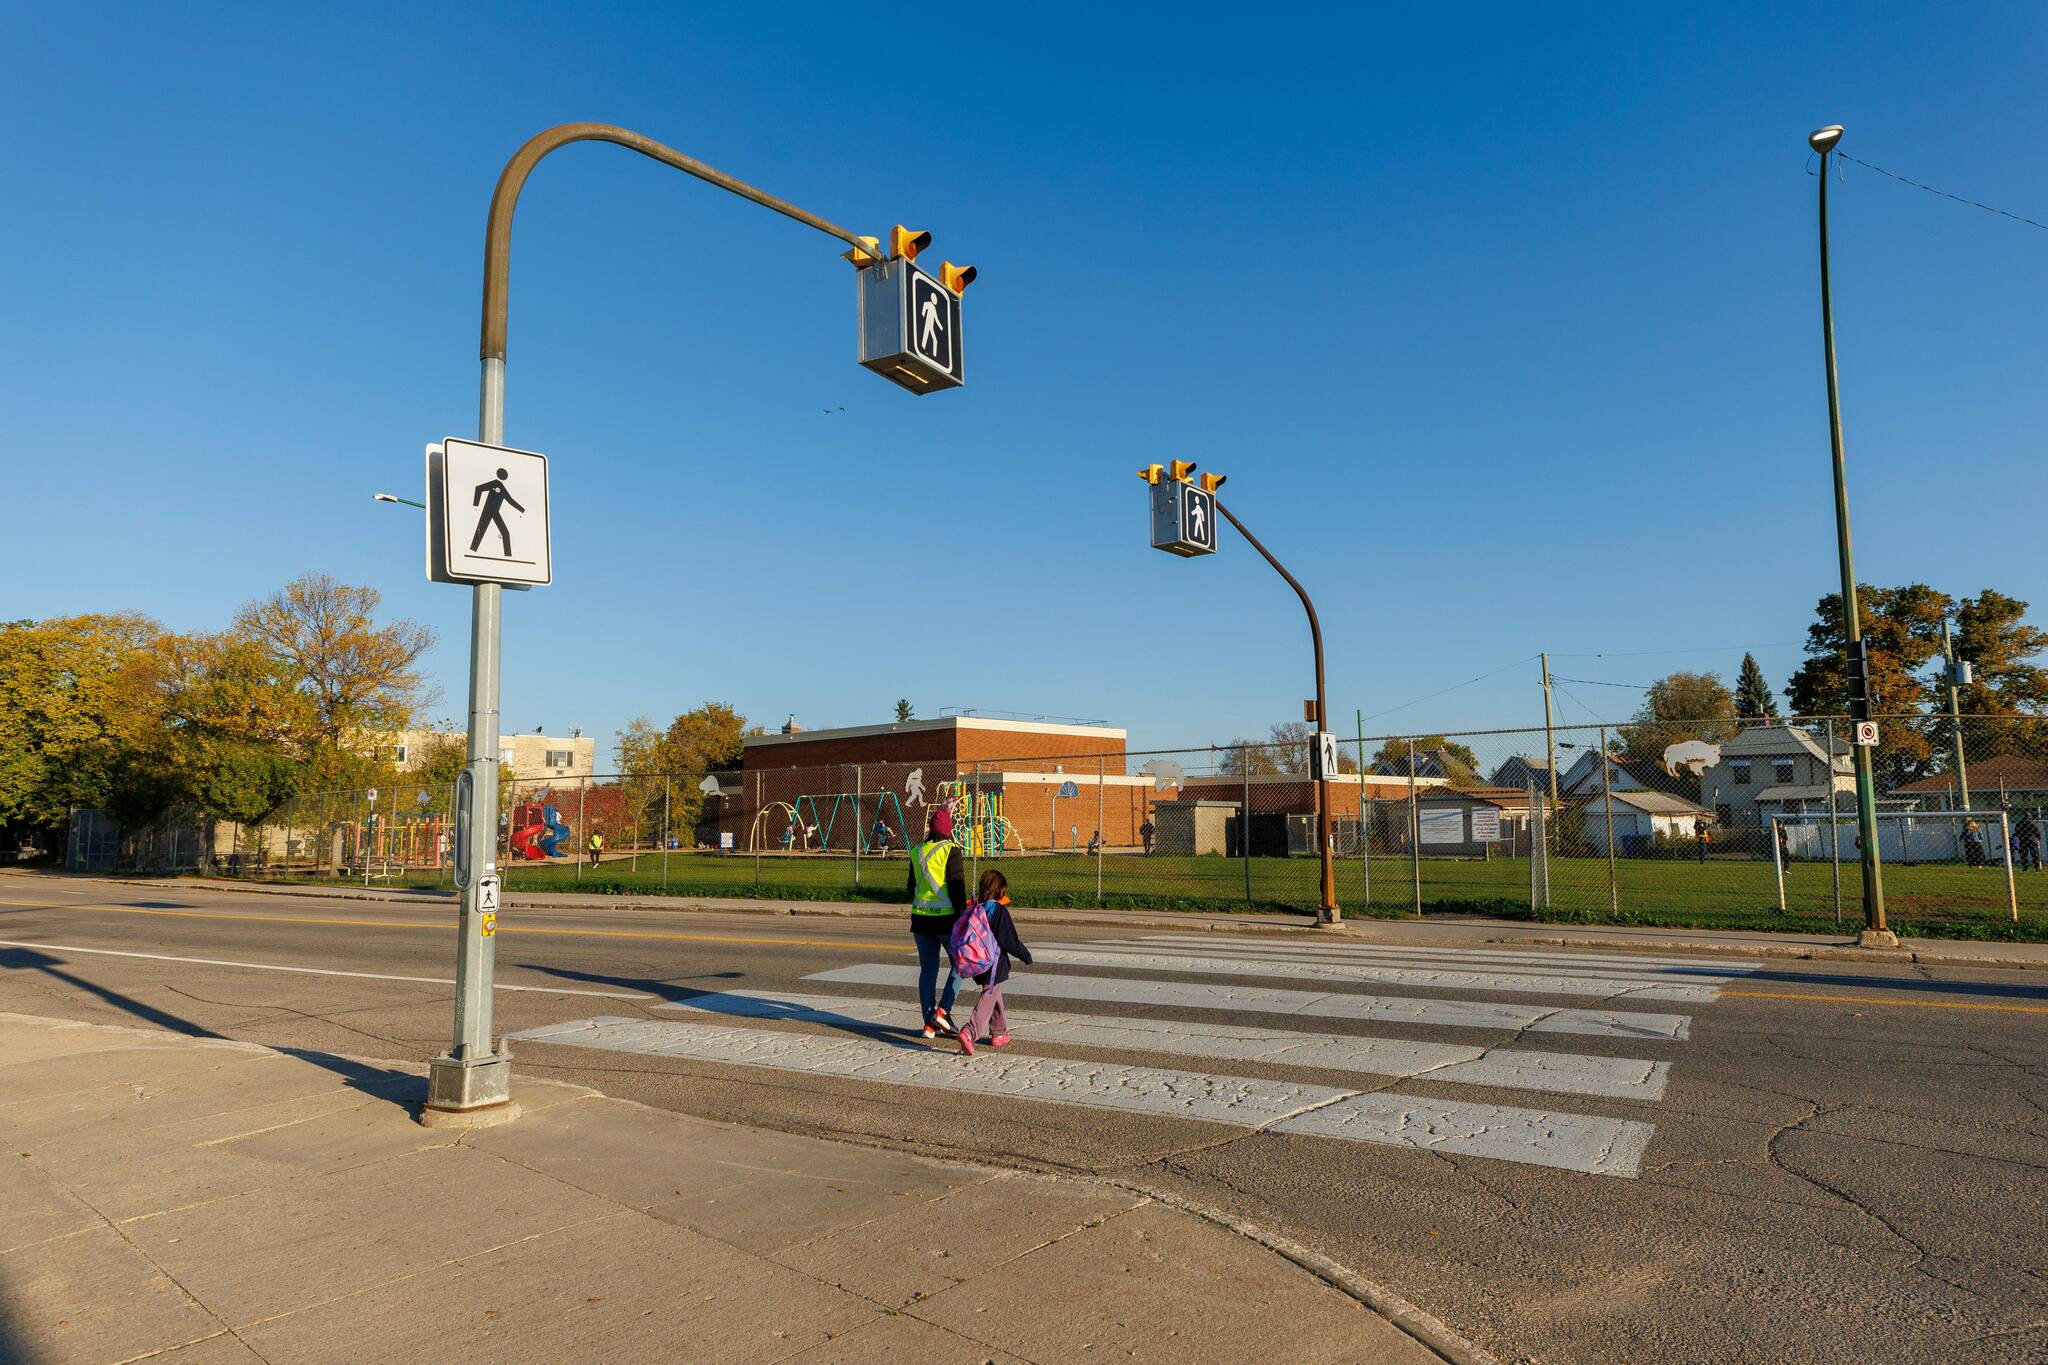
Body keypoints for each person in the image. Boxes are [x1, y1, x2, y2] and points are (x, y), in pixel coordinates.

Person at [957, 869, 1032, 1057]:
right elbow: (1009, 940)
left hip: (977, 960)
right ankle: (970, 1031)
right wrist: (1024, 954)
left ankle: (998, 1033)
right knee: (989, 993)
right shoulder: (998, 910)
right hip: (993, 962)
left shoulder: (975, 908)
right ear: (999, 891)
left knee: (994, 992)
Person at [907, 808, 966, 1038]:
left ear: (931, 829)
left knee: (928, 971)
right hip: (946, 921)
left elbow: (909, 888)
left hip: (920, 920)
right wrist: (963, 916)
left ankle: (929, 1023)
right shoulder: (951, 850)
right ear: (949, 830)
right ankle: (943, 1010)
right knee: (961, 964)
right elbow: (957, 887)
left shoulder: (917, 851)